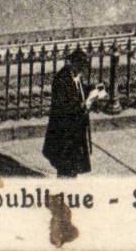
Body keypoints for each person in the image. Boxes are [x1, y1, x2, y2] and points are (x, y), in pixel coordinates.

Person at [42, 47, 105, 178]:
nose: (81, 71)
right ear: (73, 63)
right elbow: (63, 107)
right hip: (64, 131)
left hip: (75, 129)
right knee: (65, 165)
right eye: (80, 67)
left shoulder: (75, 76)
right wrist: (83, 105)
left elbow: (80, 90)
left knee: (73, 164)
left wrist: (94, 90)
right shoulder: (61, 79)